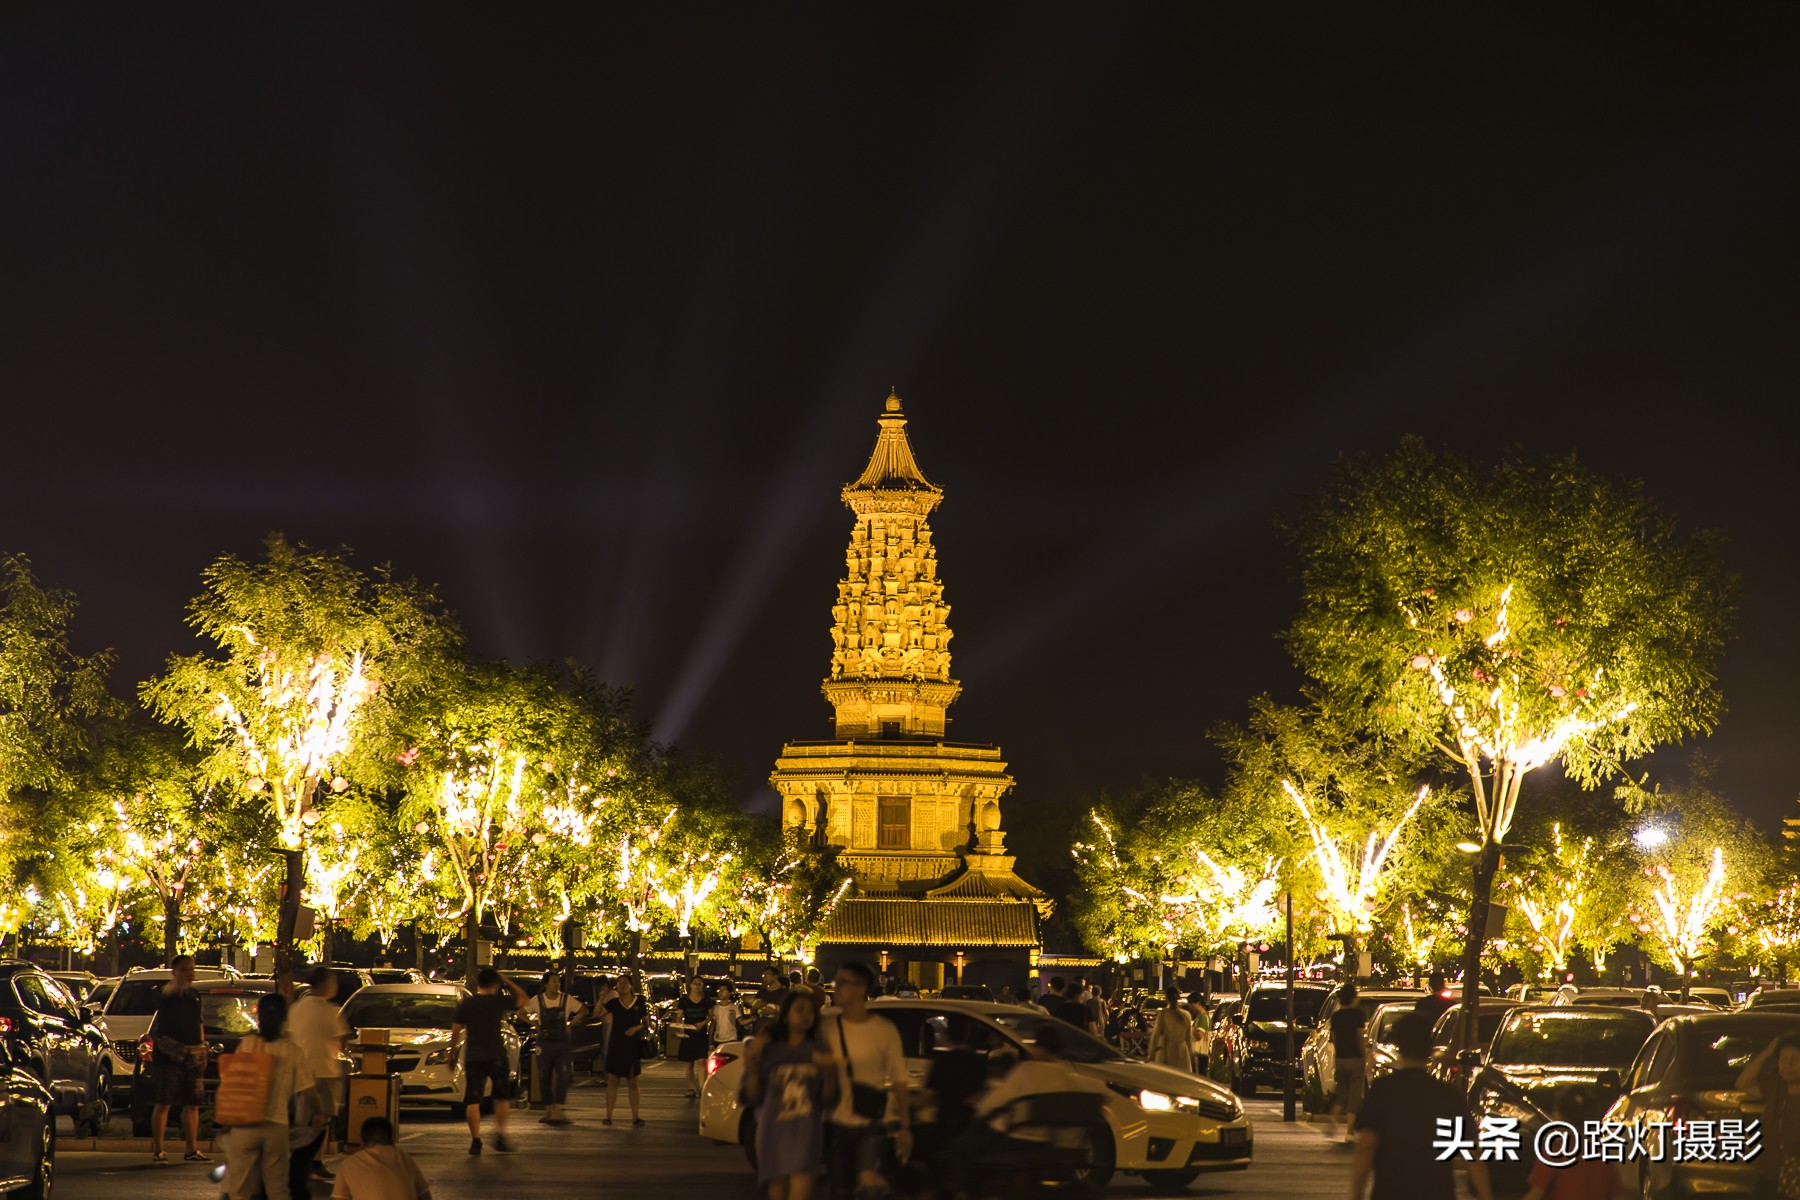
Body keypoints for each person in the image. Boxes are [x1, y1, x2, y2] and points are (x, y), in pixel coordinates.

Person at [1351, 1013, 1492, 1200]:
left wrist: (1356, 1194)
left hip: (1390, 1192)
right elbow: (1471, 1155)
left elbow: (1365, 1147)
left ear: (1400, 1046)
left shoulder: (1383, 1090)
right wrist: (1486, 1196)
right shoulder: (1448, 1095)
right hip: (1437, 1192)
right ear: (1429, 1048)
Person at [821, 960, 912, 1200]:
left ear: (861, 989)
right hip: (834, 1122)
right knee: (838, 1189)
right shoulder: (827, 1027)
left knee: (867, 1190)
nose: (836, 988)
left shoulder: (883, 1030)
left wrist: (904, 1127)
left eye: (843, 983)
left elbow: (899, 1080)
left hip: (869, 1124)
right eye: (836, 982)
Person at [221, 992, 326, 1200]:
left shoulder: (248, 1044)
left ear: (259, 1016)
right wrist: (320, 1113)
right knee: (277, 1188)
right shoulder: (291, 1050)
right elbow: (309, 1091)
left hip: (244, 1124)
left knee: (240, 1188)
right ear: (284, 1018)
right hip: (275, 1124)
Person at [741, 989, 841, 1200]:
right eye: (799, 1009)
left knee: (800, 1194)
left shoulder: (820, 1050)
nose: (806, 1015)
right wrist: (752, 1070)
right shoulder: (768, 1051)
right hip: (772, 1132)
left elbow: (828, 1099)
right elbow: (751, 1096)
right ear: (786, 1014)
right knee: (777, 1192)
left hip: (806, 1132)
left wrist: (830, 1075)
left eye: (810, 1011)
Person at [449, 967, 528, 1155]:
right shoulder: (497, 1001)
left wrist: (451, 1054)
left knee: (473, 1099)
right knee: (501, 1097)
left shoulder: (467, 1004)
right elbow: (525, 999)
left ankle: (475, 1140)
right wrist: (506, 980)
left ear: (478, 983)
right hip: (496, 1055)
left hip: (474, 1056)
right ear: (495, 984)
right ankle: (500, 1133)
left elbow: (456, 1029)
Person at [288, 966, 351, 1185]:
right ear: (324, 985)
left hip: (299, 1071)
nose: (335, 986)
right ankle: (312, 1162)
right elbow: (341, 1038)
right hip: (323, 1070)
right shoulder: (328, 1010)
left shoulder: (296, 1008)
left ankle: (303, 1161)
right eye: (332, 982)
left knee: (303, 1118)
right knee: (321, 1118)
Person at [149, 955, 210, 1164]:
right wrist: (176, 985)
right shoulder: (167, 994)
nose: (189, 974)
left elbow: (198, 1022)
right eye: (184, 970)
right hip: (170, 1055)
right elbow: (162, 997)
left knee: (192, 1103)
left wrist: (203, 1049)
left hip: (193, 1055)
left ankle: (191, 1149)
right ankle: (159, 1150)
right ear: (174, 972)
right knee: (164, 1102)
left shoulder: (194, 995)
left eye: (191, 969)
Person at [1521, 1086, 1622, 1200]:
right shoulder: (1600, 1152)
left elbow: (1535, 1194)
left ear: (1561, 1116)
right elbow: (1617, 1195)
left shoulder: (1556, 1151)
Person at [1735, 1031, 1800, 1196]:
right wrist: (1767, 1052)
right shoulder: (1776, 1086)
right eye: (1784, 1059)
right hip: (1767, 1174)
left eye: (1795, 1059)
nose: (1789, 1065)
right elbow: (1743, 1083)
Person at [330, 1116, 432, 1200]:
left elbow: (339, 1198)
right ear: (391, 1138)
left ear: (362, 1141)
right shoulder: (403, 1157)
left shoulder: (349, 1164)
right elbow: (425, 1195)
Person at [534, 970, 587, 1125]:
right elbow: (521, 1012)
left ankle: (558, 1110)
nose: (557, 984)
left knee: (564, 1076)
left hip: (562, 1043)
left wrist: (571, 1024)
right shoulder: (538, 1000)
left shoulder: (566, 999)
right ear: (546, 984)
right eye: (554, 981)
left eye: (558, 981)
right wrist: (535, 1025)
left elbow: (584, 1010)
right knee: (544, 1076)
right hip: (544, 1043)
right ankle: (548, 1111)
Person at [603, 974, 649, 1126]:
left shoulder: (640, 1002)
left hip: (632, 1045)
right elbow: (597, 1014)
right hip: (616, 1044)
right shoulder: (614, 1003)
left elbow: (647, 1023)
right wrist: (603, 997)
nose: (621, 985)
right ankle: (608, 1116)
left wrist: (636, 1028)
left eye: (624, 982)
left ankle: (635, 1116)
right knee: (613, 1081)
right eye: (619, 983)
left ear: (630, 985)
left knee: (632, 1082)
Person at [1329, 984, 1368, 1141]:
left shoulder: (1336, 1016)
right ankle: (1349, 1132)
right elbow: (1360, 1036)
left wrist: (1339, 1053)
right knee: (1354, 1096)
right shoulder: (1358, 1015)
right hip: (1355, 1058)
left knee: (1342, 1093)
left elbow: (1334, 1038)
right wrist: (1363, 1054)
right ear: (1353, 998)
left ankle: (1334, 1116)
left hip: (1341, 1058)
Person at [675, 976, 712, 1099]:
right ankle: (691, 1088)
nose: (697, 986)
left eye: (699, 984)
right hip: (688, 1034)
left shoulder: (707, 1000)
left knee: (702, 1061)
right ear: (690, 985)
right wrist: (681, 1027)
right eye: (695, 983)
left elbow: (711, 1016)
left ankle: (702, 1088)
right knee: (689, 1063)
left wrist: (702, 1024)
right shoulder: (684, 1000)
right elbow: (679, 1015)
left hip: (701, 1034)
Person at [1148, 987, 1195, 1073]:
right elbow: (1188, 1038)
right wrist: (1191, 1055)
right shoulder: (1186, 1015)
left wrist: (1151, 1054)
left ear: (1167, 999)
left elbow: (1155, 1036)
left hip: (1168, 1051)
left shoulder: (1163, 1015)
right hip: (1183, 1052)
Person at [1187, 991, 1214, 1075]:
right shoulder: (1199, 1017)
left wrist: (1189, 1026)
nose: (1190, 1007)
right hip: (1198, 1056)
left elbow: (1199, 1035)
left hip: (1200, 1056)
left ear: (1198, 1003)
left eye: (1191, 1004)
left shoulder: (1203, 1017)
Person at [710, 982, 743, 1048]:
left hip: (731, 1039)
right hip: (718, 1039)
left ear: (729, 993)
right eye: (719, 990)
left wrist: (752, 1019)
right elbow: (712, 1025)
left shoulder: (733, 1008)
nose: (720, 992)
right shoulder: (715, 1008)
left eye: (723, 990)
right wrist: (710, 1042)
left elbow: (741, 1021)